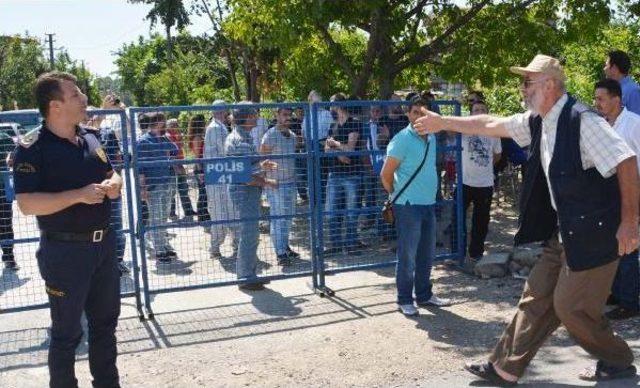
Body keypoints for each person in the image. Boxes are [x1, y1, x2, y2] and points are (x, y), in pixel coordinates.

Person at [414, 54, 639, 384]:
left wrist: (631, 222)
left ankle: (617, 358)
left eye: (527, 82)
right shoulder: (539, 120)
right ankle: (505, 368)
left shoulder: (582, 120)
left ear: (549, 85)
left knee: (569, 307)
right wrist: (444, 122)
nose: (521, 89)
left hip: (596, 232)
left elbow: (626, 161)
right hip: (564, 231)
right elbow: (491, 124)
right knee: (534, 297)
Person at [13, 71, 122, 387]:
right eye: (75, 95)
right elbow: (27, 204)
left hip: (103, 247)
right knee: (66, 333)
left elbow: (112, 173)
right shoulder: (32, 148)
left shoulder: (90, 137)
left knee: (105, 325)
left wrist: (114, 185)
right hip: (65, 253)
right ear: (55, 105)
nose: (84, 98)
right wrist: (78, 195)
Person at [380, 96, 452, 317]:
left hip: (428, 203)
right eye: (415, 112)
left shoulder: (431, 138)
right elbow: (385, 174)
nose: (419, 117)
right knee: (408, 255)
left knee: (426, 253)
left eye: (423, 112)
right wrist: (396, 196)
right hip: (408, 205)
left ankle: (424, 295)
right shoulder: (401, 139)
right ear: (408, 114)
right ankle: (404, 299)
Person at [594, 78, 640, 320]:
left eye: (601, 98)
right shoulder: (602, 125)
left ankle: (631, 301)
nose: (597, 103)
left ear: (617, 100)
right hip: (609, 196)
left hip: (631, 194)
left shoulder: (634, 125)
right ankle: (618, 292)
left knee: (628, 247)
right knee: (614, 245)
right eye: (595, 99)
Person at [224, 102, 277, 290]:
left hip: (247, 190)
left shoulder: (244, 137)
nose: (257, 117)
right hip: (244, 191)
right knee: (249, 233)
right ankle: (246, 277)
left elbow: (248, 166)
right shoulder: (240, 139)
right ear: (246, 117)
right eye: (254, 114)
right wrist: (267, 183)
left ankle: (250, 273)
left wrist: (262, 166)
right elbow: (244, 176)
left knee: (251, 233)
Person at [323, 93, 366, 256]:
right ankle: (335, 244)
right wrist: (338, 153)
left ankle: (350, 244)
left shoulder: (354, 123)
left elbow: (351, 148)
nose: (330, 107)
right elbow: (326, 150)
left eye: (332, 104)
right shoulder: (332, 126)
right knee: (331, 211)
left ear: (338, 105)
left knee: (351, 212)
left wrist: (335, 145)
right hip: (334, 174)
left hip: (352, 175)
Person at [461, 100, 502, 266]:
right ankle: (457, 251)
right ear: (470, 113)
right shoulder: (463, 128)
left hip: (485, 183)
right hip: (464, 181)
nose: (479, 112)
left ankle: (475, 252)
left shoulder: (493, 131)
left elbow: (497, 154)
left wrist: (484, 165)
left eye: (482, 110)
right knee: (458, 218)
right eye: (476, 109)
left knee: (481, 221)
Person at [136, 112, 179, 265]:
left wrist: (164, 136)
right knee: (156, 218)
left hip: (166, 182)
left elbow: (175, 150)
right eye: (164, 122)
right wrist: (142, 189)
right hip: (153, 186)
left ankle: (164, 245)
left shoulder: (162, 138)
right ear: (159, 122)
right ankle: (160, 250)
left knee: (163, 216)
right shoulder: (143, 141)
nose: (166, 124)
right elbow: (140, 169)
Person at [94, 94, 129, 275]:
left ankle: (118, 261)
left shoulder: (108, 134)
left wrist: (123, 113)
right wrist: (102, 111)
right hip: (92, 192)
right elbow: (90, 129)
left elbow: (128, 132)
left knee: (117, 228)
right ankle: (102, 264)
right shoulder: (82, 135)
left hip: (113, 190)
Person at [260, 107, 300, 265]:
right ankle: (280, 252)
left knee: (289, 218)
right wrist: (267, 165)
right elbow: (262, 159)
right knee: (278, 219)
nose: (287, 118)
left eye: (289, 115)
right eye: (284, 115)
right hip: (276, 184)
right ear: (277, 116)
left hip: (291, 182)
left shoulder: (293, 136)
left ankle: (285, 246)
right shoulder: (270, 135)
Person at [204, 102, 237, 259]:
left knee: (230, 210)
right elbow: (226, 150)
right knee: (219, 213)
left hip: (222, 173)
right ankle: (215, 247)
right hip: (217, 175)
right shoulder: (216, 128)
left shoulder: (219, 126)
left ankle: (234, 244)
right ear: (223, 112)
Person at [166, 118, 196, 221]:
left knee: (184, 189)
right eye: (174, 124)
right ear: (168, 126)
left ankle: (188, 211)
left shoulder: (176, 135)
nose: (176, 126)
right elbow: (170, 154)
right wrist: (176, 167)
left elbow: (182, 147)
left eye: (177, 124)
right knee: (173, 191)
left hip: (180, 165)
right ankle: (172, 213)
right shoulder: (168, 136)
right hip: (174, 167)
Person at [188, 114, 210, 223]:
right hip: (200, 168)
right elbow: (197, 156)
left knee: (204, 192)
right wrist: (201, 170)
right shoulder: (197, 138)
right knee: (203, 192)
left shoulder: (201, 136)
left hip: (203, 166)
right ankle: (202, 215)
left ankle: (204, 212)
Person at [604, 50, 640, 114]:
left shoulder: (633, 91)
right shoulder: (615, 89)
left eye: (606, 65)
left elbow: (637, 120)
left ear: (614, 68)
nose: (604, 69)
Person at [0, 130, 16, 270]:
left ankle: (9, 257)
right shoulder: (4, 136)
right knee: (5, 224)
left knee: (5, 224)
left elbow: (14, 151)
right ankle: (9, 258)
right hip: (2, 188)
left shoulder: (3, 136)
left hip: (2, 188)